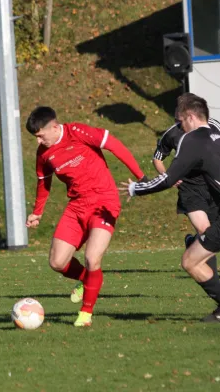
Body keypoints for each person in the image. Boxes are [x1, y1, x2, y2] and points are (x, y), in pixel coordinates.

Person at [122, 93, 220, 322]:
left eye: (181, 121)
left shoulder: (192, 140)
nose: (180, 126)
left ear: (190, 117)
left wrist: (136, 189)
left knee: (190, 261)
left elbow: (169, 179)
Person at [25, 106, 146, 327]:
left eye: (40, 135)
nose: (38, 141)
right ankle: (86, 280)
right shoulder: (43, 153)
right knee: (57, 262)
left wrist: (142, 177)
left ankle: (86, 314)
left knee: (92, 258)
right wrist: (37, 212)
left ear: (54, 127)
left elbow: (115, 146)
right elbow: (44, 183)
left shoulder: (78, 132)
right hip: (77, 206)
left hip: (104, 201)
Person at [152, 112, 220, 275]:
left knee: (216, 233)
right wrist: (169, 177)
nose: (179, 123)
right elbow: (157, 159)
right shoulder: (172, 133)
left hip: (214, 186)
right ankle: (212, 276)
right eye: (177, 119)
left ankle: (192, 242)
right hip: (190, 189)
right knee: (205, 230)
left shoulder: (213, 125)